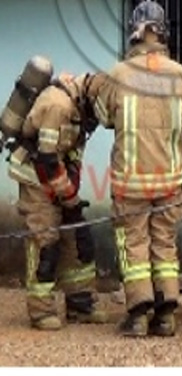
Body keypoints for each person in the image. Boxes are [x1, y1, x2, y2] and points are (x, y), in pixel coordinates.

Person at [92, 0, 182, 338]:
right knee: (164, 245)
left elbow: (101, 115)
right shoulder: (181, 75)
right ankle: (167, 315)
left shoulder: (118, 74)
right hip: (171, 181)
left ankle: (139, 315)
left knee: (134, 244)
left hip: (130, 181)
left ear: (135, 32)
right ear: (162, 32)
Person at [6, 71, 109, 330]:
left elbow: (72, 154)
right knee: (46, 240)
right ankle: (41, 311)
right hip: (35, 177)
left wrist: (71, 193)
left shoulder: (80, 110)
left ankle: (80, 304)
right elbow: (47, 161)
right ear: (90, 98)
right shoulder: (57, 105)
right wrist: (69, 197)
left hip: (56, 176)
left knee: (77, 237)